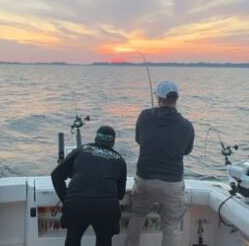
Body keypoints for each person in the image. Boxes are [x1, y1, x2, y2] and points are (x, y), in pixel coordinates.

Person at [125, 81, 194, 246]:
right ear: (176, 99)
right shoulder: (186, 125)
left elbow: (138, 140)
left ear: (159, 97)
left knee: (137, 216)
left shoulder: (144, 115)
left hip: (145, 180)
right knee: (172, 225)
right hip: (172, 184)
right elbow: (186, 151)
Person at [51, 126, 127, 246]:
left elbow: (56, 175)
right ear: (113, 141)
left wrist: (66, 199)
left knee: (73, 239)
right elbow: (121, 194)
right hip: (105, 207)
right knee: (104, 241)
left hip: (76, 203)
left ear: (96, 138)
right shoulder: (120, 160)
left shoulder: (82, 149)